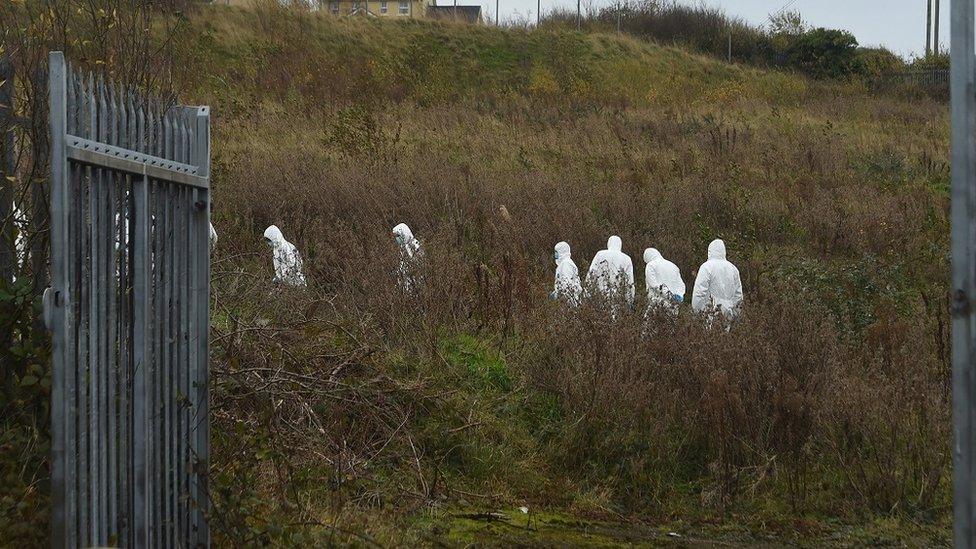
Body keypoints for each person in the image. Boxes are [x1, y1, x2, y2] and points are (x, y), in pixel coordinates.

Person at [691, 239, 743, 320]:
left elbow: (699, 292)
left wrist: (696, 312)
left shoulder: (707, 267)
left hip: (710, 311)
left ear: (709, 251)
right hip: (728, 312)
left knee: (708, 332)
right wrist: (735, 314)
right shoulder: (733, 269)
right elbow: (738, 296)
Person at [585, 235, 635, 308]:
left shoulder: (600, 254)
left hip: (600, 295)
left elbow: (591, 274)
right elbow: (629, 282)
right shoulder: (626, 258)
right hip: (618, 297)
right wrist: (630, 300)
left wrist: (587, 294)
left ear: (609, 243)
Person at [643, 247, 685, 312]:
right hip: (673, 306)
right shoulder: (673, 266)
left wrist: (668, 296)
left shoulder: (650, 265)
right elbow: (681, 285)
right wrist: (679, 296)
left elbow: (653, 285)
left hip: (657, 304)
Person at [392, 223, 423, 290]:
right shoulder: (402, 249)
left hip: (416, 280)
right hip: (407, 283)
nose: (396, 238)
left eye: (398, 235)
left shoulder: (415, 245)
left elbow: (419, 263)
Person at [551, 241, 582, 305]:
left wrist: (557, 295)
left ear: (561, 252)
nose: (555, 255)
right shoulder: (564, 263)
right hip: (566, 300)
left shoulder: (566, 264)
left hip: (569, 302)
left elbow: (567, 284)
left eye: (557, 252)